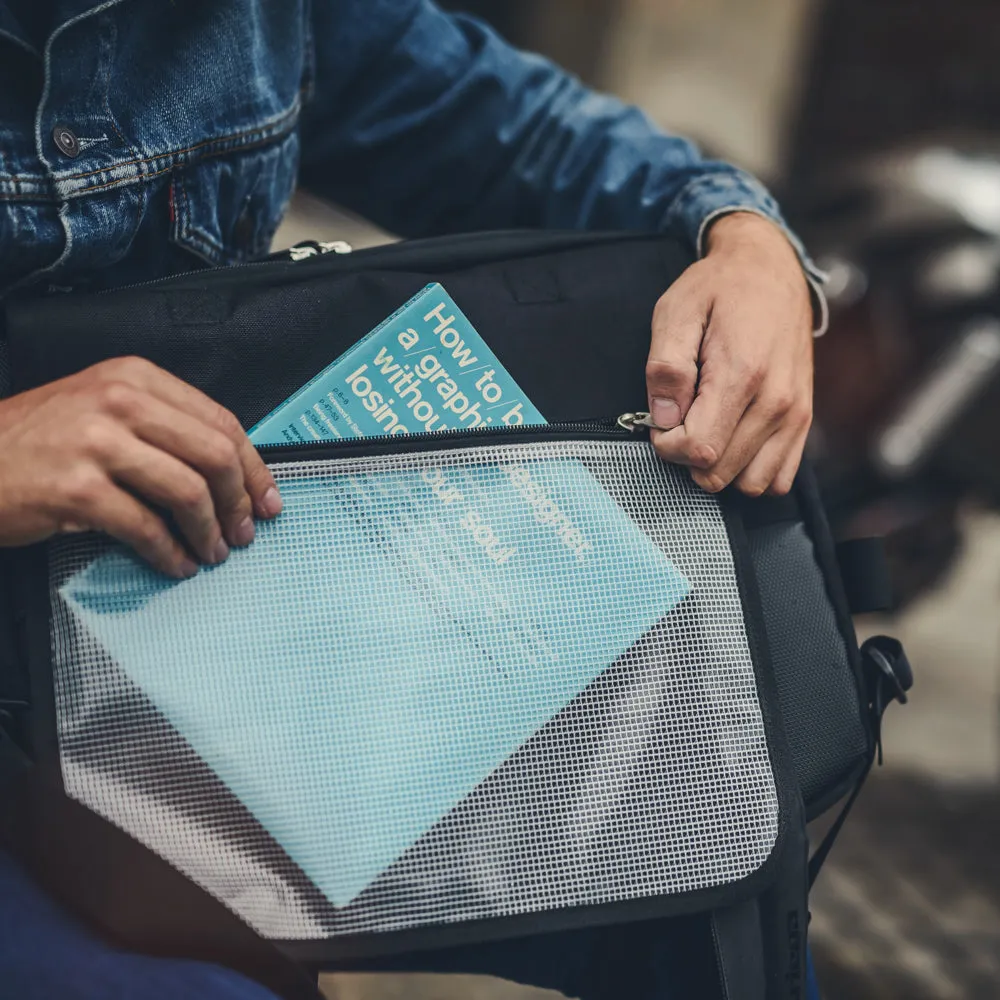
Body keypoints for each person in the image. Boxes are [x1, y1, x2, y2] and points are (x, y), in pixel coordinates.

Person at [0, 2, 824, 997]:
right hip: (49, 745)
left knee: (714, 876)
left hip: (212, 647)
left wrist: (744, 245)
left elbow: (527, 133)